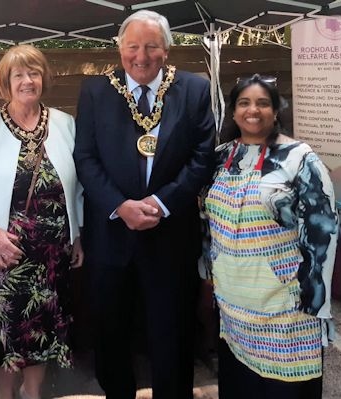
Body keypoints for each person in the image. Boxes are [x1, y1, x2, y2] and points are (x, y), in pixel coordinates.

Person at [73, 9, 216, 398]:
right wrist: (121, 206)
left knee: (172, 332)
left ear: (166, 50)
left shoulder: (193, 90)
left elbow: (203, 157)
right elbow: (85, 157)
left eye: (151, 46)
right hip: (111, 235)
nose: (141, 55)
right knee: (111, 333)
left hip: (169, 235)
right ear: (120, 48)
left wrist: (160, 203)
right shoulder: (96, 91)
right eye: (132, 46)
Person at [203, 74, 338, 399]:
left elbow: (323, 236)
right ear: (233, 112)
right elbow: (207, 221)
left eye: (263, 102)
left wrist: (314, 304)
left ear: (276, 111)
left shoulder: (299, 159)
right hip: (234, 314)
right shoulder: (221, 158)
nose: (253, 110)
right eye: (244, 102)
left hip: (286, 315)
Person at [0, 44, 84, 399]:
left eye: (33, 72)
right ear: (5, 82)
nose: (27, 80)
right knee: (7, 332)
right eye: (18, 74)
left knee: (44, 329)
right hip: (7, 254)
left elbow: (79, 187)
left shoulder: (65, 124)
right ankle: (5, 395)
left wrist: (78, 236)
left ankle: (33, 393)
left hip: (53, 254)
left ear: (43, 78)